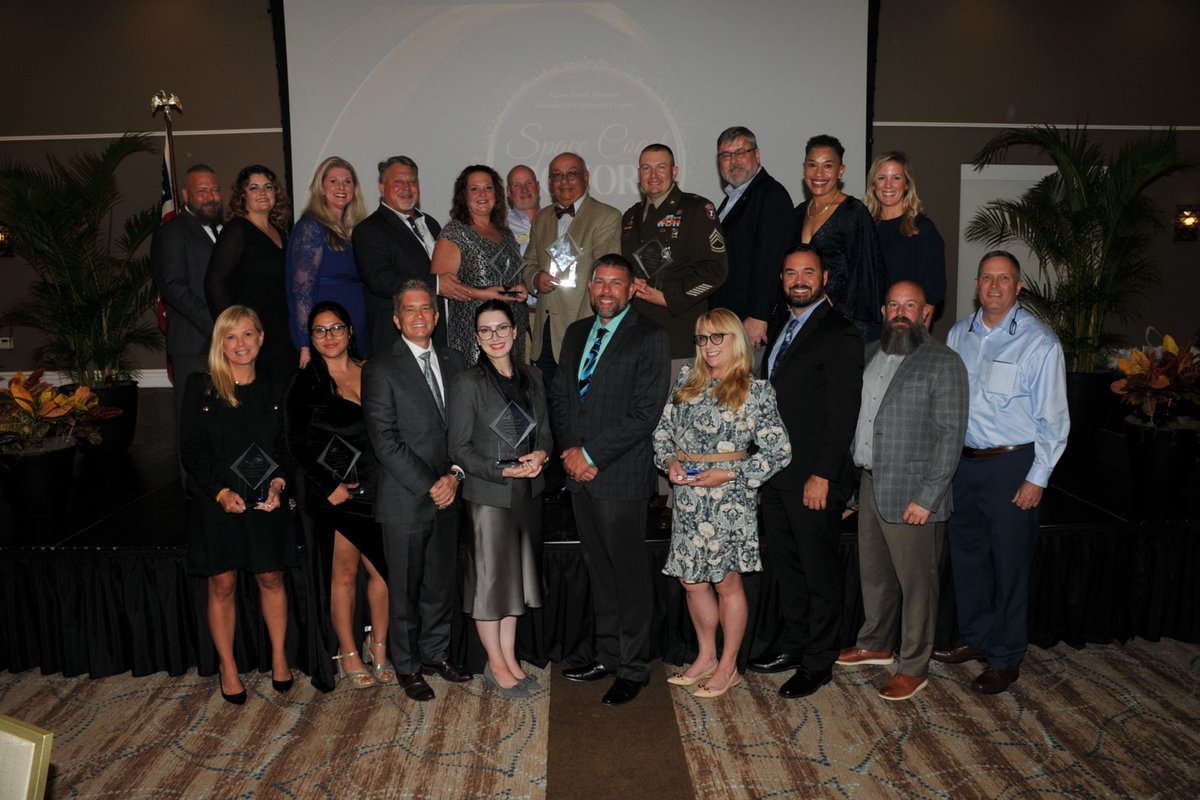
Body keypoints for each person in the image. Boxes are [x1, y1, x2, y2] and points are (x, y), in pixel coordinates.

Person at [933, 250, 1069, 695]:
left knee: (1010, 565)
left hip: (1013, 466)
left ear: (1018, 286)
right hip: (964, 465)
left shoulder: (1039, 342)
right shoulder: (958, 334)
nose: (994, 286)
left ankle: (1006, 658)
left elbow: (1055, 419)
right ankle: (975, 637)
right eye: (987, 278)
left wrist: (1037, 478)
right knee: (968, 558)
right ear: (976, 284)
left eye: (1004, 279)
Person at [549, 254, 671, 706]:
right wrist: (570, 453)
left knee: (629, 575)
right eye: (598, 281)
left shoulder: (651, 337)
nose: (604, 290)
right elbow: (561, 397)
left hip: (620, 474)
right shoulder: (577, 332)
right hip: (580, 475)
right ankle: (607, 654)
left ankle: (635, 667)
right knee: (599, 569)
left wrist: (592, 455)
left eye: (615, 283)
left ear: (632, 288)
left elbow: (645, 413)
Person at [839, 281, 967, 701]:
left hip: (914, 494)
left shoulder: (943, 362)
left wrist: (928, 498)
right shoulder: (869, 353)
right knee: (874, 575)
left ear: (925, 313)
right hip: (871, 482)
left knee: (917, 585)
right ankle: (876, 643)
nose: (900, 311)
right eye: (893, 303)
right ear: (882, 309)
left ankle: (914, 666)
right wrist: (857, 490)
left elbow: (951, 436)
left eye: (909, 305)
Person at [653, 309, 791, 699]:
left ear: (736, 340)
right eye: (703, 339)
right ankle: (707, 657)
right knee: (690, 580)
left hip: (730, 496)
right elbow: (662, 433)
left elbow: (780, 451)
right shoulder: (686, 382)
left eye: (719, 338)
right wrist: (670, 461)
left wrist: (730, 474)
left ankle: (729, 666)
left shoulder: (755, 390)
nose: (710, 346)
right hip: (688, 499)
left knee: (726, 582)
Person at [750, 244, 864, 699]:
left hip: (814, 479)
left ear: (824, 279)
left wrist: (824, 475)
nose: (799, 279)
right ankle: (796, 644)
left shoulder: (840, 332)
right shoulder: (782, 327)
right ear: (782, 279)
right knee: (787, 568)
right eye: (791, 272)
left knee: (819, 573)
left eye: (808, 272)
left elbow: (843, 413)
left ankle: (819, 662)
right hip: (776, 476)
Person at [362, 279, 472, 701]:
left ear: (437, 315)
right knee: (405, 589)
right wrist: (432, 484)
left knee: (440, 584)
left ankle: (436, 655)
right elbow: (384, 440)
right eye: (410, 310)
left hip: (450, 493)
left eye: (426, 308)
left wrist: (455, 476)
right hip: (405, 499)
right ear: (396, 319)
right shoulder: (380, 367)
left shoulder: (456, 360)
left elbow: (467, 431)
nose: (420, 315)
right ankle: (407, 665)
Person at [180, 305, 296, 704]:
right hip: (218, 501)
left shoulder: (277, 385)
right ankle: (228, 669)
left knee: (271, 578)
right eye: (231, 337)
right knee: (223, 583)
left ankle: (280, 658)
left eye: (248, 334)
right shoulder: (202, 386)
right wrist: (218, 493)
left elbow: (286, 445)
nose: (240, 344)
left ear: (261, 338)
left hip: (266, 499)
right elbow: (191, 449)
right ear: (220, 343)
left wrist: (280, 483)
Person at [285, 300, 393, 691]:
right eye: (319, 330)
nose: (329, 336)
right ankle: (347, 651)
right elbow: (294, 442)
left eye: (335, 328)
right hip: (338, 494)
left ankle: (378, 645)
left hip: (380, 487)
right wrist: (327, 485)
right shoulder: (306, 382)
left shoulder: (374, 372)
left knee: (384, 571)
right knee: (345, 572)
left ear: (349, 331)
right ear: (311, 339)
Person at [447, 300, 552, 699]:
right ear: (476, 337)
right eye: (486, 331)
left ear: (514, 332)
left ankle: (509, 659)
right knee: (490, 586)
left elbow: (545, 434)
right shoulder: (467, 383)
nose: (495, 337)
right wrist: (501, 469)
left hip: (528, 494)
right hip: (489, 497)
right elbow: (457, 448)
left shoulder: (534, 377)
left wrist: (541, 455)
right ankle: (495, 664)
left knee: (513, 584)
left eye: (502, 328)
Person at [524, 152, 622, 398]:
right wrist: (535, 278)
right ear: (549, 182)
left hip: (585, 332)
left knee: (580, 412)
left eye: (572, 174)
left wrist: (580, 332)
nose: (564, 181)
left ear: (586, 177)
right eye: (557, 175)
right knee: (548, 411)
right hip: (544, 336)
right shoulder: (542, 217)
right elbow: (528, 263)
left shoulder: (607, 217)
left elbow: (605, 281)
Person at [622, 144, 728, 362]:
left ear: (674, 171)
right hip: (637, 330)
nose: (653, 175)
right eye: (646, 168)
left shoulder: (696, 209)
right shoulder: (631, 216)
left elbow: (715, 270)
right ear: (639, 173)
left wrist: (669, 298)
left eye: (661, 167)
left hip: (679, 328)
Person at [151, 163, 223, 486]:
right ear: (184, 195)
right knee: (192, 420)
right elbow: (174, 287)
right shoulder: (171, 231)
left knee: (224, 419)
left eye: (214, 190)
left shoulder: (228, 229)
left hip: (230, 345)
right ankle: (193, 490)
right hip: (195, 343)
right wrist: (217, 327)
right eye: (202, 191)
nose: (210, 196)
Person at [431, 165, 529, 364]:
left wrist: (521, 289)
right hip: (475, 333)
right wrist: (483, 294)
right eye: (474, 188)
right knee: (481, 391)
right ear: (464, 196)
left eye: (488, 188)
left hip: (511, 328)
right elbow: (441, 286)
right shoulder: (455, 232)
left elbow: (510, 275)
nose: (482, 194)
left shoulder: (506, 233)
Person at [206, 164, 298, 377]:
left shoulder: (281, 232)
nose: (263, 192)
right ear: (242, 196)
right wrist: (234, 329)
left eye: (268, 186)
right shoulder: (237, 230)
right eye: (254, 188)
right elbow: (214, 282)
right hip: (251, 334)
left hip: (280, 331)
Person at [792, 135, 887, 340]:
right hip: (805, 319)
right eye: (812, 165)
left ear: (840, 171)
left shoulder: (853, 212)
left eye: (827, 165)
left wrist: (835, 311)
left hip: (843, 322)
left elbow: (866, 274)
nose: (818, 173)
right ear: (803, 169)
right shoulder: (799, 212)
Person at [709, 127, 795, 352]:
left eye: (740, 152)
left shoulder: (771, 195)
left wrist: (759, 315)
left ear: (757, 155)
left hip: (752, 325)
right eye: (726, 155)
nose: (733, 161)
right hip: (731, 319)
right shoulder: (733, 198)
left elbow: (772, 259)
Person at [353, 156, 444, 358]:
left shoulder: (431, 223)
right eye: (398, 182)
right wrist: (437, 284)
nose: (406, 187)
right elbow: (380, 279)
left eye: (412, 182)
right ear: (381, 187)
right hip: (395, 341)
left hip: (436, 336)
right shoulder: (368, 230)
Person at [287, 157, 369, 367]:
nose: (341, 187)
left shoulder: (355, 230)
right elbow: (302, 290)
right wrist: (305, 343)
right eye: (333, 181)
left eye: (347, 181)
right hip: (327, 331)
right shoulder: (311, 228)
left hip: (354, 326)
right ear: (321, 188)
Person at [864, 152, 947, 322]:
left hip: (906, 328)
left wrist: (920, 343)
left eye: (896, 178)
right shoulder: (865, 229)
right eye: (881, 178)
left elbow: (930, 297)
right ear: (873, 184)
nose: (888, 185)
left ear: (907, 184)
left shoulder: (921, 229)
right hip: (868, 328)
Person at [506, 164, 540, 256]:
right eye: (517, 185)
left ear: (538, 187)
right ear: (509, 192)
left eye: (529, 183)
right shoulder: (500, 226)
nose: (524, 190)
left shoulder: (556, 219)